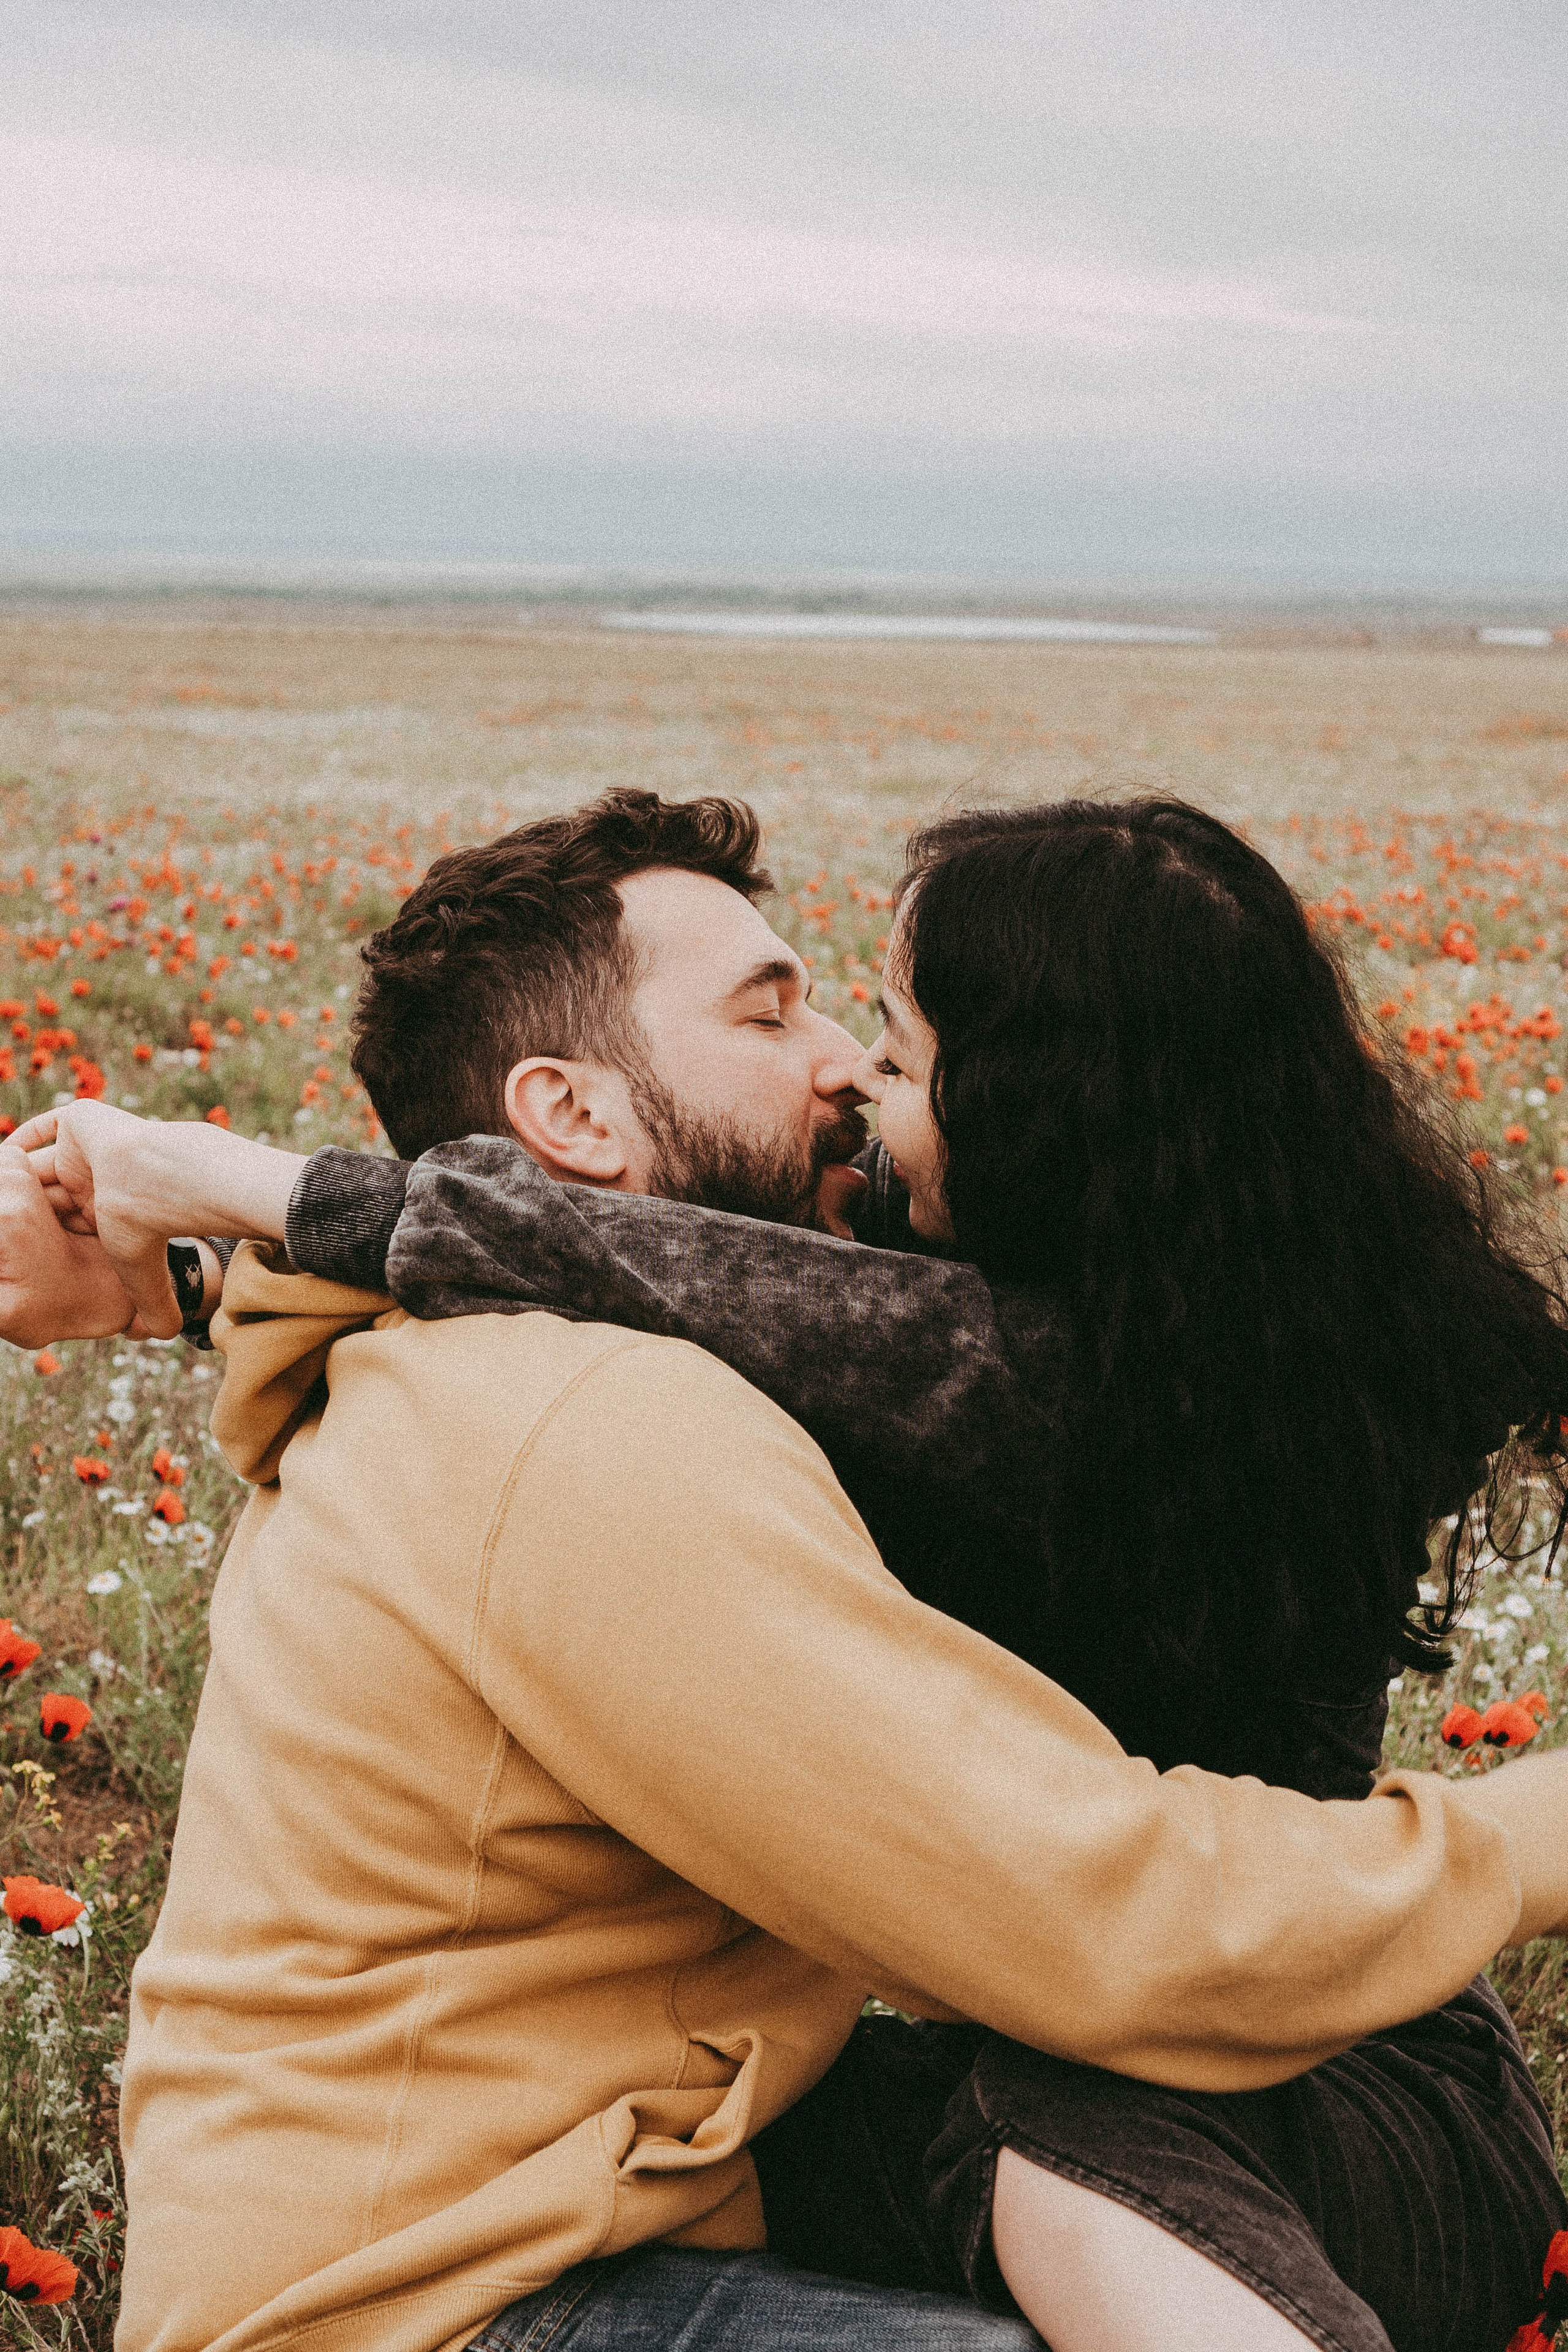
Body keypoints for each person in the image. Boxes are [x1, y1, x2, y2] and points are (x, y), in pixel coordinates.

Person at [8, 790, 1568, 2352]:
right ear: (570, 1117)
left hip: (1277, 2033)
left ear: (1040, 1112)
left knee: (1039, 2140)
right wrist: (202, 1266)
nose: (846, 1068)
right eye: (776, 1014)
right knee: (1023, 2145)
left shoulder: (1064, 1367)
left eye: (891, 1045)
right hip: (455, 2292)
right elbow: (659, 1269)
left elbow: (712, 1284)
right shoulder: (593, 1413)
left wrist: (237, 1230)